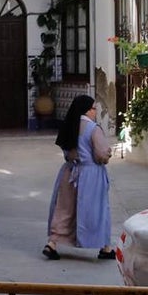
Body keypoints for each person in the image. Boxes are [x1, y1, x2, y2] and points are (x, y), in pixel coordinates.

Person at [43, 94, 115, 261]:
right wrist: (107, 155)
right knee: (96, 210)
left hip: (69, 172)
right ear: (87, 110)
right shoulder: (93, 129)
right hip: (91, 174)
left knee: (64, 209)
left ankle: (52, 243)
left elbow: (67, 151)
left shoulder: (69, 126)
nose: (95, 112)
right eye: (93, 108)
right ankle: (105, 247)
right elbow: (102, 154)